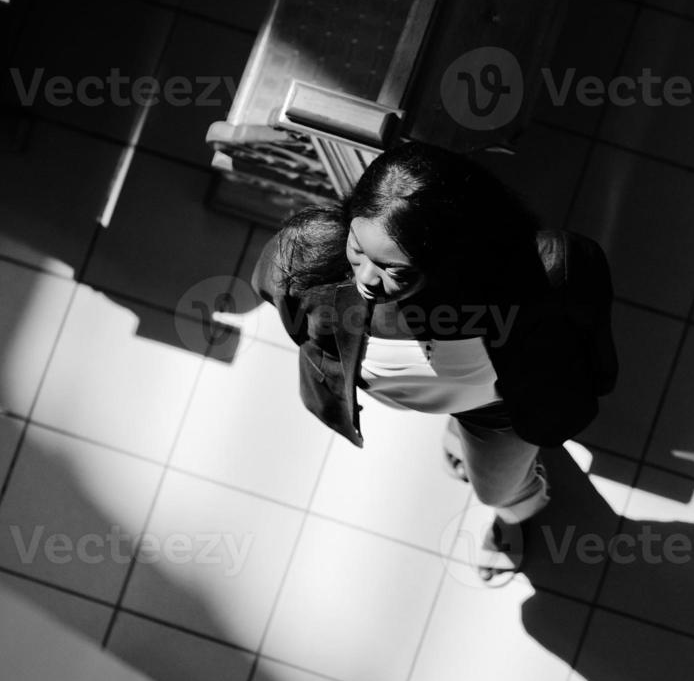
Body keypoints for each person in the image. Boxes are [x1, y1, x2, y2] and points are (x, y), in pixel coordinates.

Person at [250, 142, 618, 580]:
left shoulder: (546, 272)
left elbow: (588, 351)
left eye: (396, 270)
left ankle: (511, 515)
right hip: (421, 390)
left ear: (453, 259)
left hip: (496, 412)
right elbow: (281, 298)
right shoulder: (305, 252)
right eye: (357, 247)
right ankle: (456, 427)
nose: (366, 278)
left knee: (497, 488)